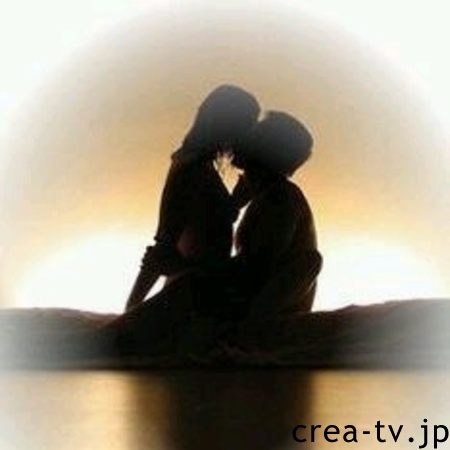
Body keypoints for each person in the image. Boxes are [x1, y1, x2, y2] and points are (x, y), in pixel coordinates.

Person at [124, 85, 260, 312]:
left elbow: (205, 222)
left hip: (199, 290)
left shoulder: (199, 166)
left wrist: (235, 203)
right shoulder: (191, 168)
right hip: (193, 296)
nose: (250, 134)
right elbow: (164, 245)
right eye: (247, 124)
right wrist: (131, 310)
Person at [230, 111, 322, 332]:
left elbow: (257, 268)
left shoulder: (280, 197)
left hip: (262, 319)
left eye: (257, 134)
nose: (245, 137)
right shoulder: (267, 195)